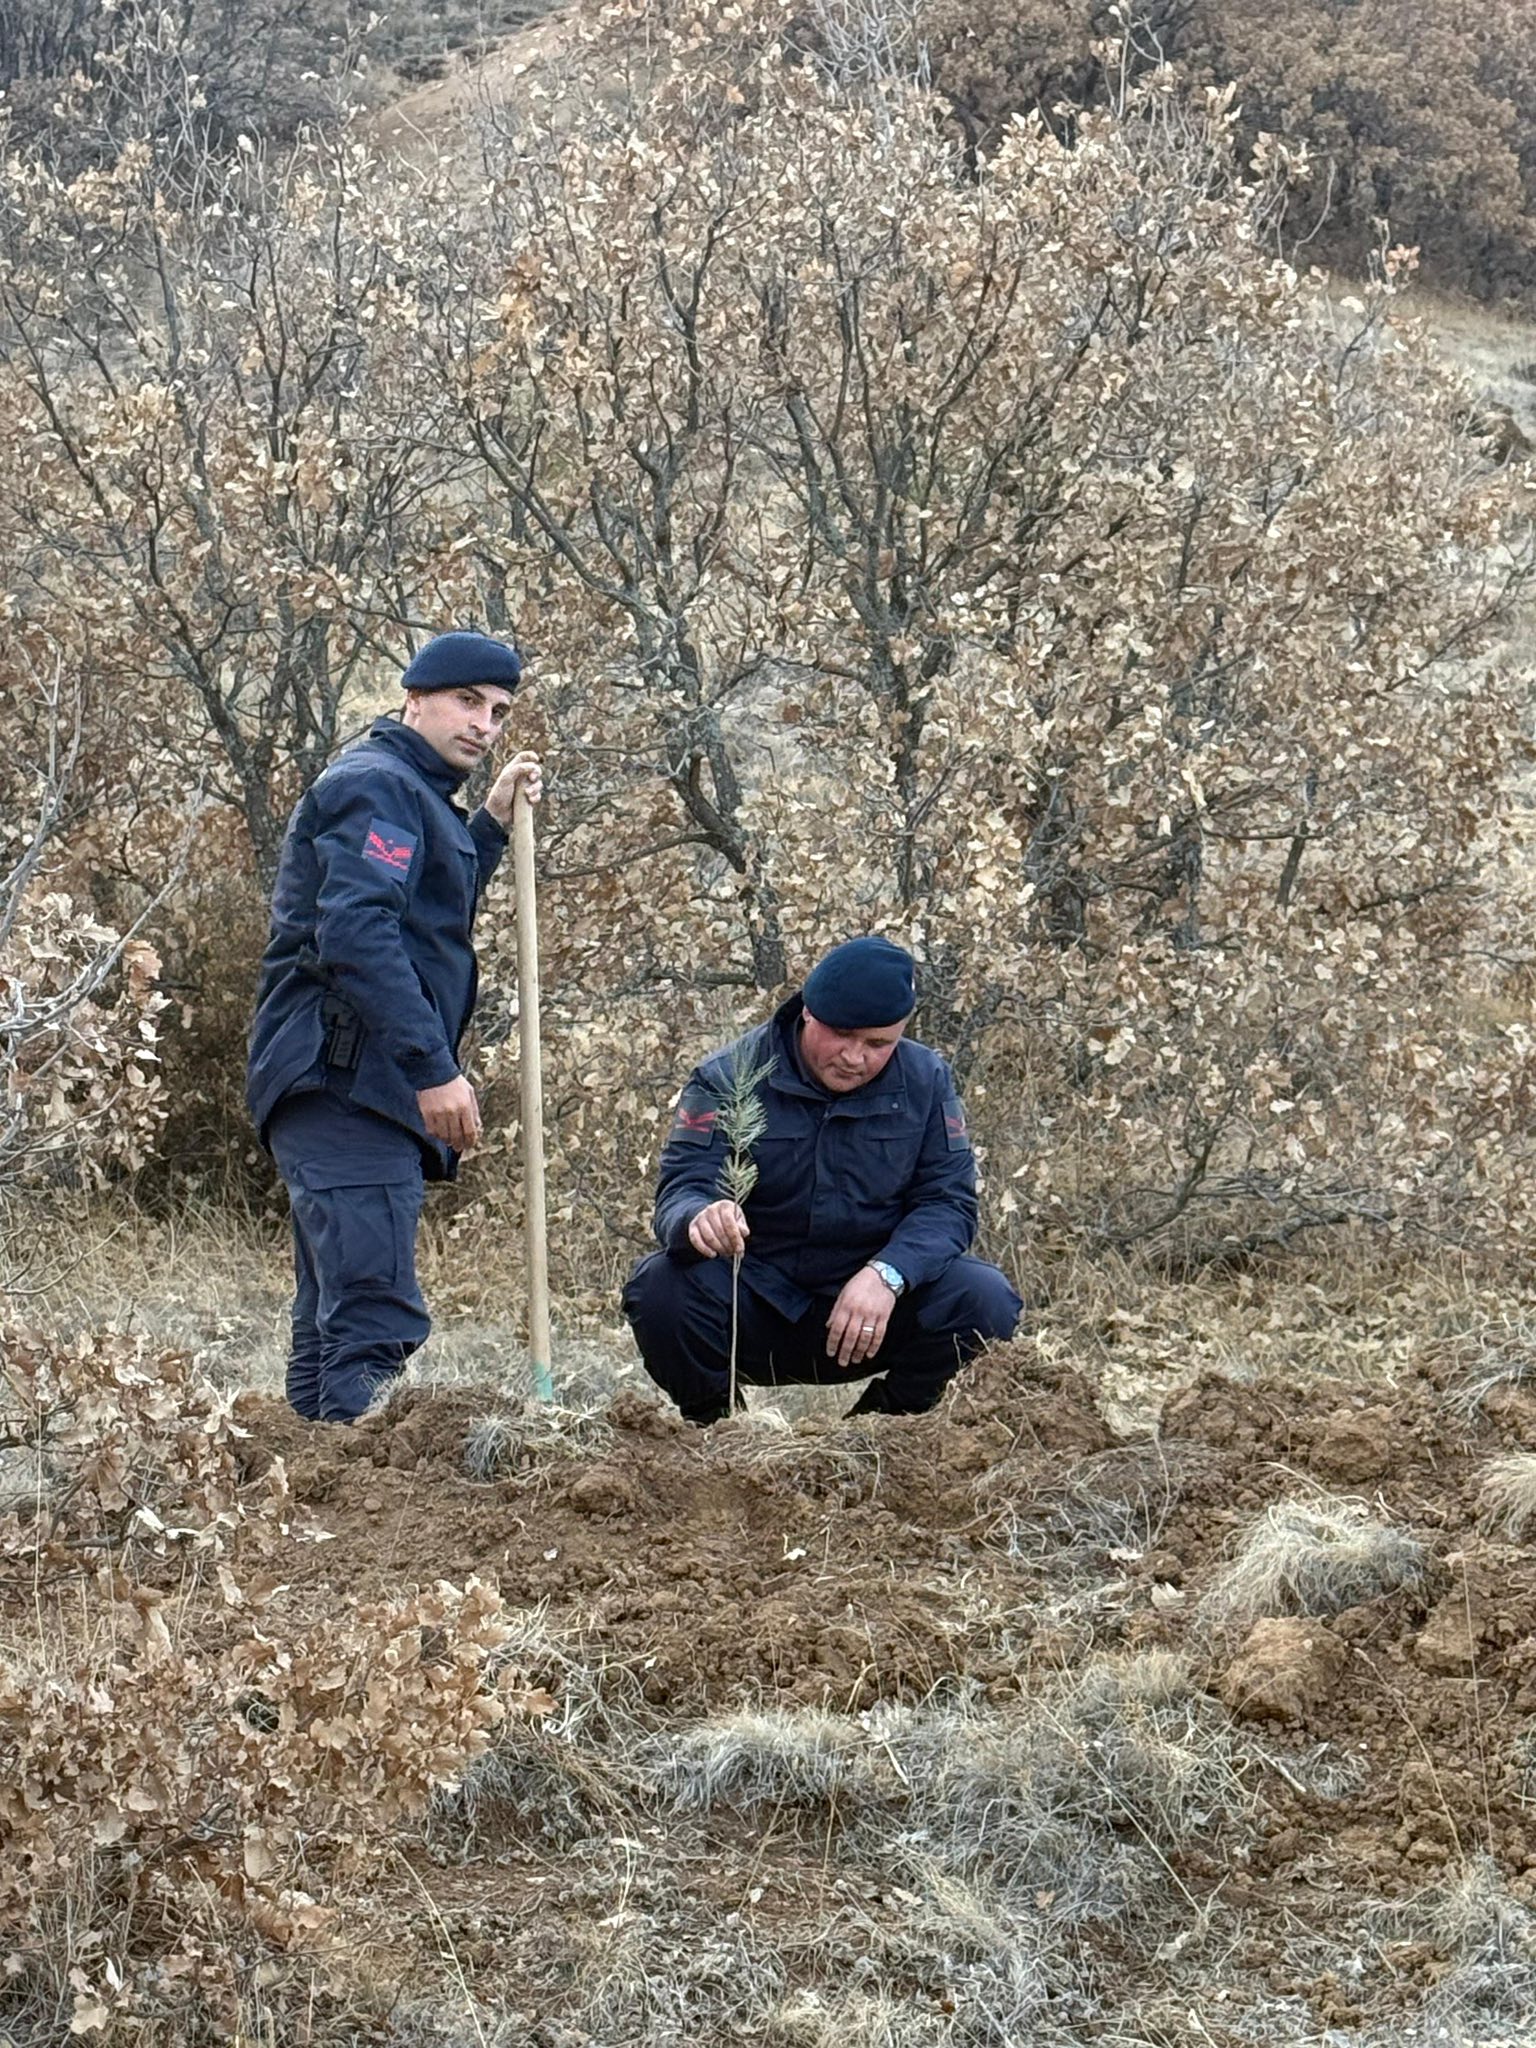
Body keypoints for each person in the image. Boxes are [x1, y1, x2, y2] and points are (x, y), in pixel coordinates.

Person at [247, 630, 541, 1423]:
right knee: (372, 1318)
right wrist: (433, 1069)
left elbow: (425, 908)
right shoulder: (377, 785)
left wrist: (486, 825)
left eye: (499, 711)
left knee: (333, 1322)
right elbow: (358, 932)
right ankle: (357, 1530)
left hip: (349, 1086)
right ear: (415, 699)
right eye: (467, 703)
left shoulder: (413, 796)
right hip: (347, 1084)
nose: (484, 724)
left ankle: (312, 1505)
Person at [622, 936, 1021, 1424]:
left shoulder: (926, 1080)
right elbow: (681, 1188)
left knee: (984, 1298)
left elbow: (948, 1203)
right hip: (754, 1301)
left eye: (878, 1044)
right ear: (809, 1012)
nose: (855, 1057)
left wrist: (888, 1274)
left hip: (870, 1308)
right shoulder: (726, 1076)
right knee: (659, 1287)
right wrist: (699, 1219)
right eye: (842, 1036)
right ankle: (718, 1432)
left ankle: (886, 1434)